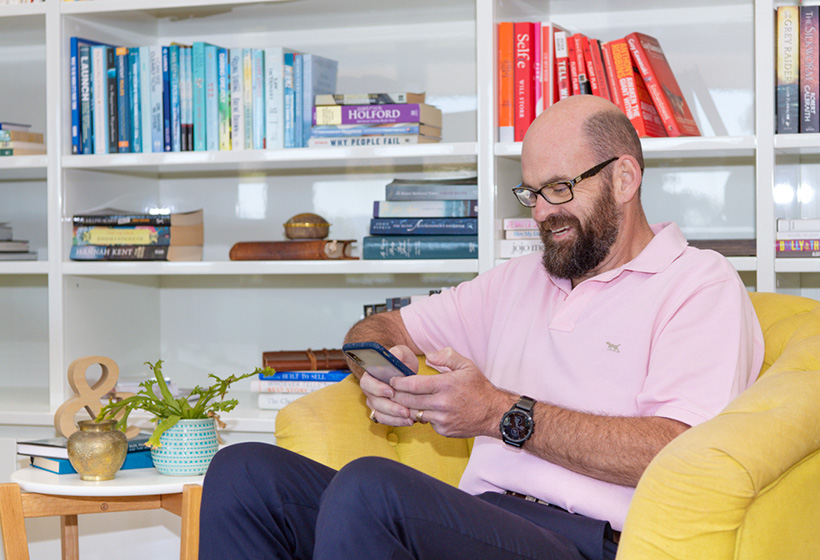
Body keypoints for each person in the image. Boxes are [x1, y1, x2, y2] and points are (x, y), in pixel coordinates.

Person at [198, 95, 764, 560]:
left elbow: (677, 449)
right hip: (481, 518)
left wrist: (498, 413)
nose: (542, 212)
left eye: (560, 188)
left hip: (591, 541)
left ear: (624, 178)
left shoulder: (698, 284)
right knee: (245, 472)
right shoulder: (518, 280)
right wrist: (383, 368)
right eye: (532, 193)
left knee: (371, 490)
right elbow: (380, 324)